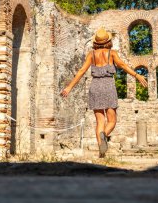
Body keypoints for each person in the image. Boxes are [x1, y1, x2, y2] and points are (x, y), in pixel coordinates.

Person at [60, 28, 148, 157]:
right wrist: (137, 75)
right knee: (111, 121)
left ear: (96, 41)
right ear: (108, 40)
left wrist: (69, 87)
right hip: (108, 85)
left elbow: (81, 71)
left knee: (99, 121)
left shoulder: (91, 54)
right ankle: (104, 136)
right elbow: (123, 65)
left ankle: (101, 153)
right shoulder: (112, 53)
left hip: (95, 86)